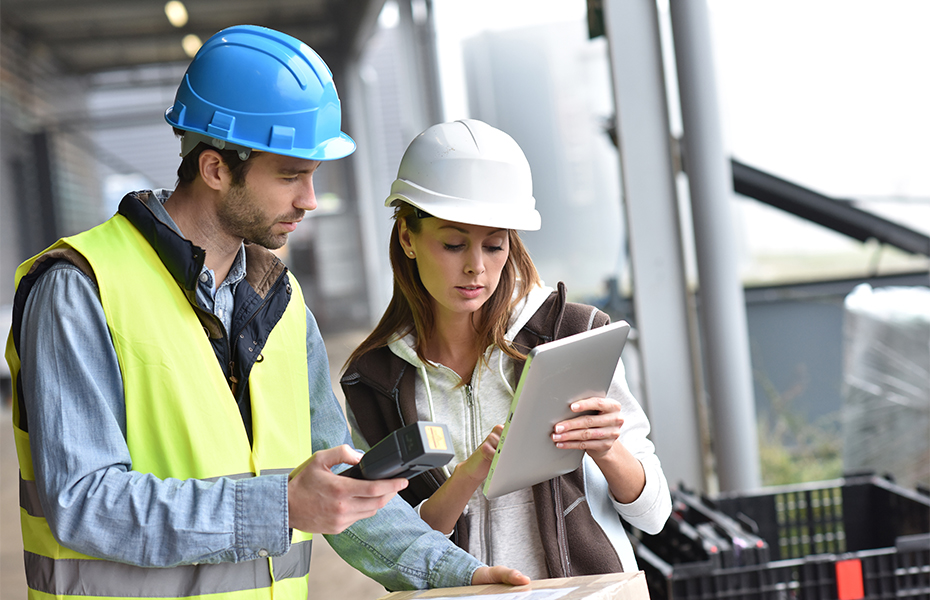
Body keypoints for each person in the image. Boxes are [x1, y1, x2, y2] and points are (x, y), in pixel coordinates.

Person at [4, 27, 528, 598]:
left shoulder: (281, 299)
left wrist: (460, 572)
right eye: (289, 176)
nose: (308, 199)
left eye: (312, 176)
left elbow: (342, 491)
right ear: (215, 169)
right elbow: (83, 502)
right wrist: (279, 506)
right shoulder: (80, 289)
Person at [341, 119, 672, 579]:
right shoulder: (374, 380)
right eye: (453, 244)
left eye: (494, 246)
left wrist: (607, 448)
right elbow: (389, 548)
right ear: (407, 238)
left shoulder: (572, 335)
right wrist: (469, 476)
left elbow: (654, 515)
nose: (476, 267)